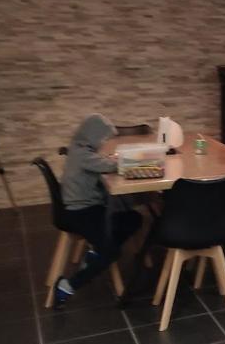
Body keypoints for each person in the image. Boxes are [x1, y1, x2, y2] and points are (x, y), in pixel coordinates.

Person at [53, 114, 142, 309]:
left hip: (87, 207)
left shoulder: (80, 150)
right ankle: (68, 285)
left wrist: (110, 159)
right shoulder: (82, 155)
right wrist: (133, 161)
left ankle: (96, 251)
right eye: (102, 138)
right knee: (112, 252)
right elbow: (111, 166)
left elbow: (101, 163)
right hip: (80, 212)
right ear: (92, 136)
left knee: (134, 218)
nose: (104, 142)